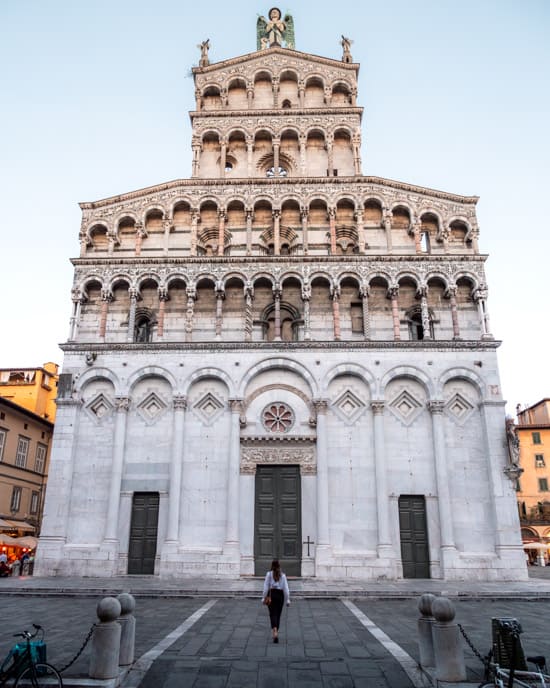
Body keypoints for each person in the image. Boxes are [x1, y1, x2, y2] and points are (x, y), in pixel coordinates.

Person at [262, 559, 290, 643]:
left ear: (271, 565)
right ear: (279, 566)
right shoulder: (283, 575)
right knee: (278, 614)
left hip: (271, 595)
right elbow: (286, 589)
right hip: (280, 596)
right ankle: (276, 630)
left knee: (272, 614)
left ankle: (274, 629)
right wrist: (287, 599)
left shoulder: (268, 574)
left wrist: (263, 598)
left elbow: (266, 587)